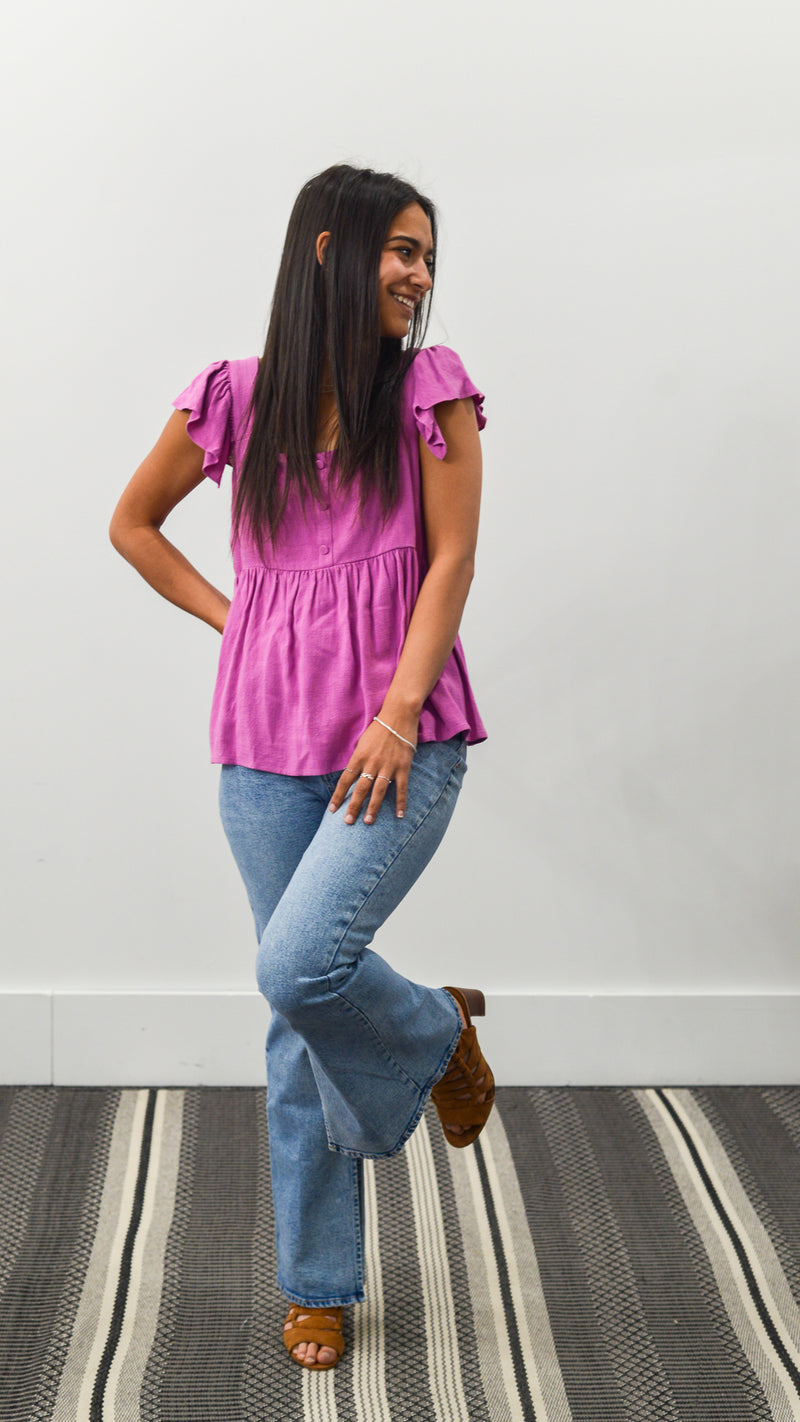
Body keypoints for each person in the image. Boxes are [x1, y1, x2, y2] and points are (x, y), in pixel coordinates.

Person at [109, 162, 494, 1371]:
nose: (418, 275)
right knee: (294, 1015)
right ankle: (320, 1278)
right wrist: (242, 623)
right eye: (400, 250)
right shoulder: (237, 397)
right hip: (261, 747)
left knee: (297, 968)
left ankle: (431, 1035)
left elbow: (450, 563)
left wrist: (395, 714)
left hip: (400, 742)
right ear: (331, 249)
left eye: (426, 255)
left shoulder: (428, 391)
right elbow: (131, 524)